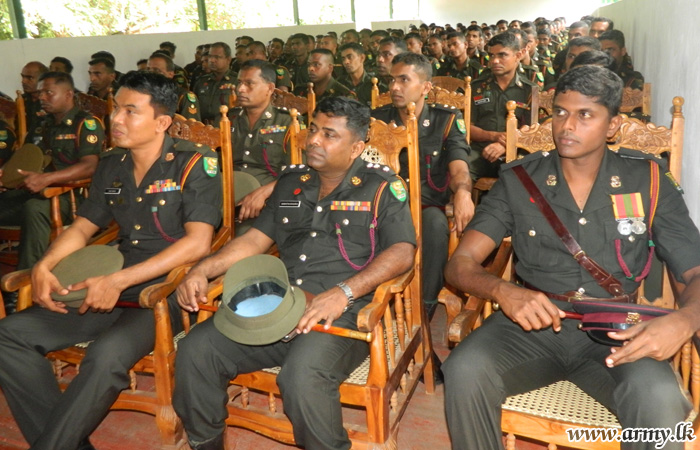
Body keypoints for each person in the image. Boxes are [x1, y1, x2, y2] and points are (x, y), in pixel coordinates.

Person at [442, 65, 700, 450]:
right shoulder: (519, 180)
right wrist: (502, 291)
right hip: (533, 326)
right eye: (560, 112)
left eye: (585, 115)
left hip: (617, 329)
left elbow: (694, 271)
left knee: (658, 398)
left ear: (612, 125)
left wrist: (685, 319)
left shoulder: (648, 181)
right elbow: (459, 263)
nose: (567, 125)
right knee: (463, 369)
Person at [172, 97, 416, 450]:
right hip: (280, 305)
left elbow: (403, 251)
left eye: (329, 134)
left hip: (342, 313)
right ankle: (206, 443)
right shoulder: (291, 182)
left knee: (302, 378)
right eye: (313, 129)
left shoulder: (380, 187)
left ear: (356, 147)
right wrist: (202, 270)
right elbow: (254, 240)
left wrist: (344, 292)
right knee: (196, 350)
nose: (313, 140)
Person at [0, 70, 222, 450]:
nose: (115, 119)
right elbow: (83, 226)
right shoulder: (112, 163)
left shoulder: (194, 163)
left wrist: (119, 281)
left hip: (162, 290)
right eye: (116, 109)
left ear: (161, 122)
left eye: (130, 111)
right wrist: (44, 265)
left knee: (105, 357)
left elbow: (198, 243)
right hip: (107, 278)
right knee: (9, 335)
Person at [371, 52, 473, 317]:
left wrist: (463, 192)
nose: (394, 87)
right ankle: (375, 304)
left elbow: (459, 166)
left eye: (404, 80)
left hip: (426, 206)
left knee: (436, 225)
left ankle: (423, 308)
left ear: (426, 87)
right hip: (384, 206)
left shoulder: (445, 120)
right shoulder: (376, 120)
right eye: (392, 80)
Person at [0, 72, 104, 274]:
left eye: (49, 92)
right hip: (32, 190)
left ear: (68, 94)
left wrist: (47, 179)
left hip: (69, 196)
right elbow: (23, 158)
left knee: (35, 209)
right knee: (28, 203)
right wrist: (5, 175)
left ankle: (27, 281)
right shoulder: (41, 125)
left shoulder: (85, 124)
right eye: (40, 93)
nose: (42, 97)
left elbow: (90, 166)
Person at [229, 60, 293, 222]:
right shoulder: (228, 119)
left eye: (249, 83)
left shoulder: (288, 122)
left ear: (270, 88)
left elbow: (298, 172)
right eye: (239, 83)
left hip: (270, 199)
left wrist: (265, 192)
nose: (240, 89)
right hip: (229, 194)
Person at [469, 32, 538, 180]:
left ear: (518, 55)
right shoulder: (476, 87)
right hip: (481, 149)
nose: (495, 61)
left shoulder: (529, 90)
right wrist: (494, 136)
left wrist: (506, 144)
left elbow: (532, 130)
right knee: (461, 170)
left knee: (522, 177)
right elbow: (467, 127)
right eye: (491, 55)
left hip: (517, 150)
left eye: (502, 55)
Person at [147, 52, 201, 121]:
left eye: (156, 70)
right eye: (148, 69)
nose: (150, 74)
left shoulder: (183, 96)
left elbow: (192, 126)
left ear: (170, 74)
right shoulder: (144, 94)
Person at [192, 42, 236, 125]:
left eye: (217, 57)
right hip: (203, 128)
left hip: (226, 127)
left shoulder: (236, 81)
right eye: (210, 56)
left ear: (228, 60)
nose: (212, 60)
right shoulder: (201, 81)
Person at [20, 61, 49, 134]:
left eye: (30, 78)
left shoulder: (51, 101)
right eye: (23, 77)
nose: (23, 81)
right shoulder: (21, 101)